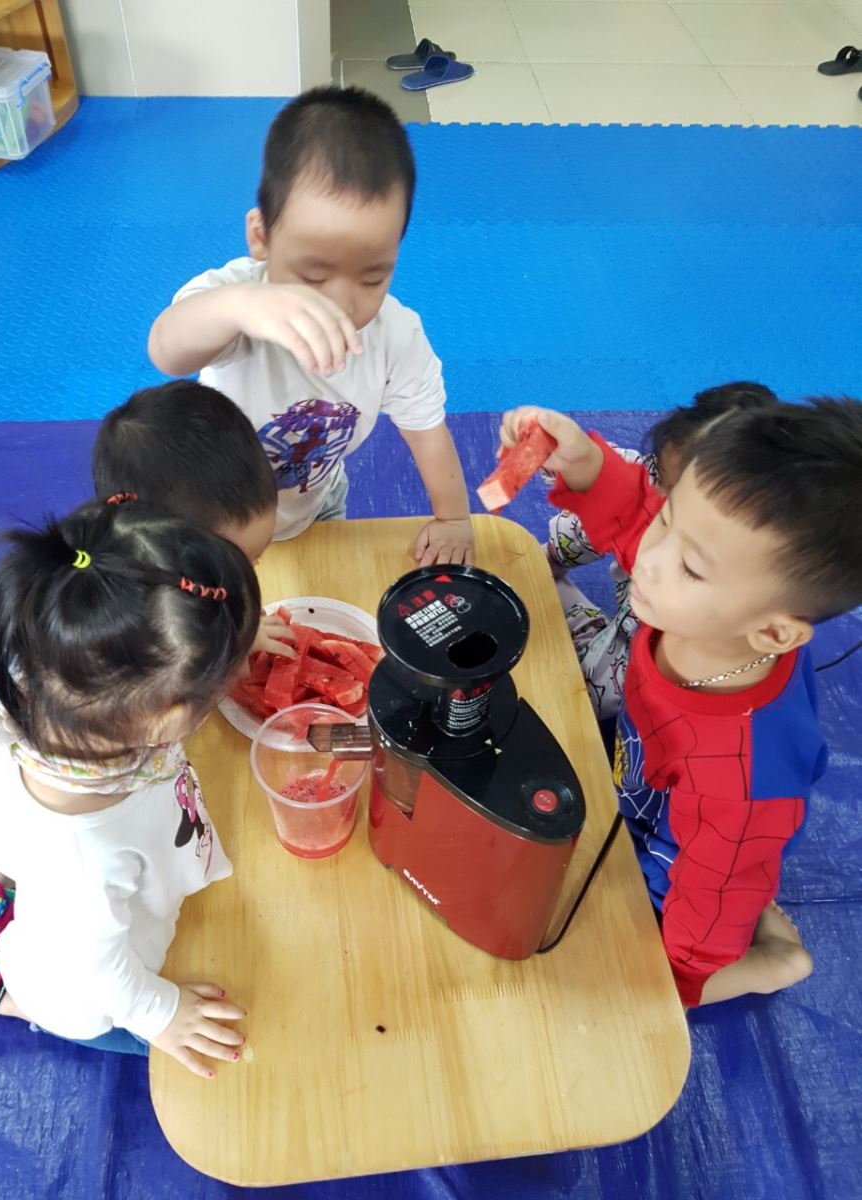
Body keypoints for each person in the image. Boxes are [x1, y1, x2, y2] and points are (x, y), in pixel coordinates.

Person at [498, 397, 862, 1007]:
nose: (649, 560)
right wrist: (583, 462)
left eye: (691, 568)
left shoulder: (740, 787)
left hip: (694, 849)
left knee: (613, 978)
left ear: (773, 632)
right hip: (663, 785)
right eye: (669, 518)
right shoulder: (709, 604)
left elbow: (711, 901)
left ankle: (773, 963)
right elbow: (635, 512)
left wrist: (681, 979)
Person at [0, 500, 260, 1075]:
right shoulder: (87, 856)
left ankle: (4, 912)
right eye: (226, 676)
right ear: (166, 722)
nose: (242, 675)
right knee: (108, 1026)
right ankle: (0, 994)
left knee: (53, 914)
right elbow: (98, 972)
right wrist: (163, 1013)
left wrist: (4, 874)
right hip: (82, 985)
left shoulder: (37, 686)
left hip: (57, 898)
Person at [147, 85, 473, 566]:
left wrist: (454, 518)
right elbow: (166, 352)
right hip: (216, 517)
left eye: (372, 276)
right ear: (261, 237)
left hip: (317, 506)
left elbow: (426, 430)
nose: (340, 302)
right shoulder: (236, 301)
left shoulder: (395, 336)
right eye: (314, 275)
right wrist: (239, 307)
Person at [548, 383, 778, 721]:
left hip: (638, 652)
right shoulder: (661, 478)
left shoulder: (728, 594)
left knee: (583, 700)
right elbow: (624, 486)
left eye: (674, 505)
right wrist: (575, 460)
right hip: (631, 618)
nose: (655, 505)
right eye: (662, 486)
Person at [93, 379, 294, 658]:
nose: (247, 580)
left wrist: (244, 633)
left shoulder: (179, 565)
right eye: (233, 567)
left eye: (255, 559)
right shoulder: (126, 616)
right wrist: (229, 650)